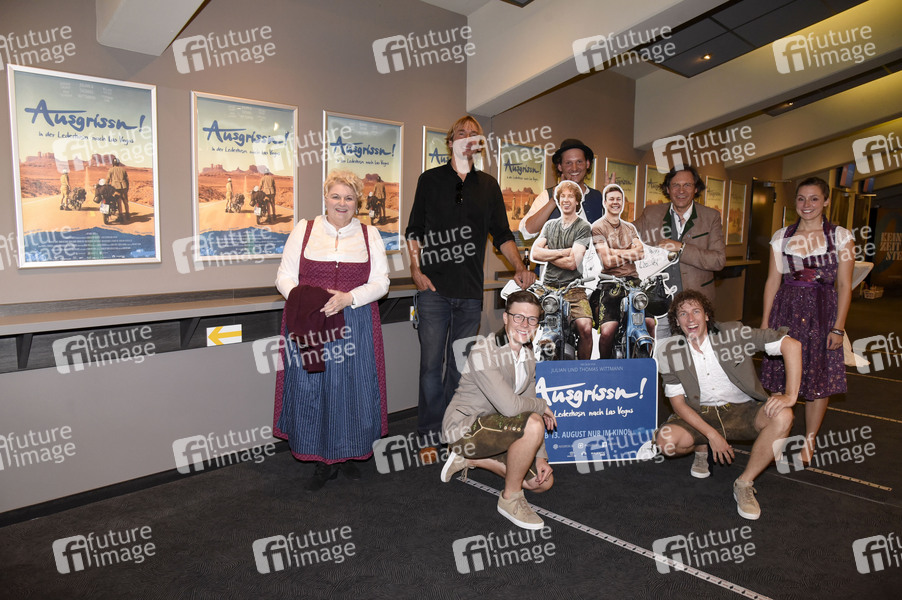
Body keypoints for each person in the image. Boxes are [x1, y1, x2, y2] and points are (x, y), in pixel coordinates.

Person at [406, 115, 536, 449]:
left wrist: (519, 266)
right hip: (433, 291)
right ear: (451, 142)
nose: (467, 138)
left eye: (473, 135)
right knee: (430, 367)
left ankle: (452, 431)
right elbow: (414, 230)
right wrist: (415, 269)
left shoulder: (489, 186)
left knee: (460, 368)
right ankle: (429, 434)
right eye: (460, 133)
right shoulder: (429, 180)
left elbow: (502, 234)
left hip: (470, 294)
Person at [273, 170, 389, 491]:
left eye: (349, 198)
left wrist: (349, 298)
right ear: (325, 198)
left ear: (357, 202)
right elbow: (284, 276)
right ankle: (322, 459)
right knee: (313, 387)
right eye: (336, 196)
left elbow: (381, 282)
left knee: (352, 388)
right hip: (311, 321)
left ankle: (348, 452)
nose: (342, 203)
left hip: (355, 322)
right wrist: (308, 302)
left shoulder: (370, 235)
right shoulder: (304, 229)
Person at [654, 290, 801, 520]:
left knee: (784, 416)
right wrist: (711, 435)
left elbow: (791, 345)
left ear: (706, 315)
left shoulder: (733, 333)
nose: (690, 319)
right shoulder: (668, 351)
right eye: (683, 314)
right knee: (665, 443)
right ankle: (701, 447)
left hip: (742, 410)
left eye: (696, 311)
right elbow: (679, 405)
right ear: (676, 321)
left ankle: (744, 483)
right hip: (699, 413)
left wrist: (791, 395)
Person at [440, 291, 557, 530]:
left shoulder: (528, 354)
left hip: (499, 428)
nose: (525, 324)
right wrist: (542, 405)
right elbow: (511, 407)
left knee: (542, 483)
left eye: (532, 319)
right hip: (466, 429)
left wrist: (540, 457)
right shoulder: (484, 351)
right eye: (518, 317)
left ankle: (469, 459)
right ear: (505, 318)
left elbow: (528, 402)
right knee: (533, 423)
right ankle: (510, 499)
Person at [760, 177, 853, 465]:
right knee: (779, 376)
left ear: (826, 201)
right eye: (801, 199)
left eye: (814, 198)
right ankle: (777, 433)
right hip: (786, 311)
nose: (807, 204)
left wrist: (838, 327)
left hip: (822, 314)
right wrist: (765, 324)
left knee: (817, 379)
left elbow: (844, 286)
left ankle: (809, 441)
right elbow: (772, 281)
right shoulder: (782, 236)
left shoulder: (841, 237)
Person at [529, 180, 593, 359]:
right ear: (558, 200)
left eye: (570, 196)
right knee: (527, 320)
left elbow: (573, 263)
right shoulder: (550, 225)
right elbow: (535, 253)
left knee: (586, 328)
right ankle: (529, 366)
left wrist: (548, 253)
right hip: (547, 288)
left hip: (574, 289)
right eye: (562, 196)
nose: (566, 200)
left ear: (577, 201)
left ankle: (582, 368)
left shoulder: (583, 227)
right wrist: (563, 252)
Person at [591, 184, 655, 359]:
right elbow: (607, 261)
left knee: (649, 323)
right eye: (611, 199)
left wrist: (615, 251)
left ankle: (646, 363)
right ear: (605, 202)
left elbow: (641, 253)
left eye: (618, 199)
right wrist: (629, 252)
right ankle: (605, 365)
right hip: (610, 282)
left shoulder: (630, 228)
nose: (615, 202)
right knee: (607, 331)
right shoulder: (598, 227)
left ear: (623, 202)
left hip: (633, 281)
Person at [519, 138, 604, 239]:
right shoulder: (547, 196)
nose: (574, 168)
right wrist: (554, 200)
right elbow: (527, 232)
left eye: (579, 162)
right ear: (560, 166)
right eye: (568, 163)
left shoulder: (598, 196)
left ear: (587, 164)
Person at [107, 157, 130, 223]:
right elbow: (127, 180)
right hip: (124, 187)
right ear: (118, 163)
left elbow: (108, 179)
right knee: (125, 201)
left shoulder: (111, 170)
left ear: (113, 163)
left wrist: (106, 185)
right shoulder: (123, 170)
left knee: (119, 202)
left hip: (116, 188)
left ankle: (121, 217)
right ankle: (128, 215)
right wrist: (127, 188)